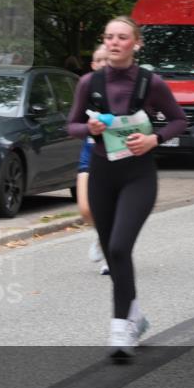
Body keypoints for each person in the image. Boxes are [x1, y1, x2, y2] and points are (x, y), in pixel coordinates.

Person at [67, 16, 187, 360]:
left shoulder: (152, 83)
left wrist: (154, 139)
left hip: (139, 175)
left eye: (122, 37)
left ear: (136, 43)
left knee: (119, 248)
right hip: (103, 174)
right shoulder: (90, 82)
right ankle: (135, 316)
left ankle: (120, 330)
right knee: (112, 250)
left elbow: (179, 120)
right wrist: (88, 128)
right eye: (109, 38)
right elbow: (71, 125)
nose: (115, 42)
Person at [77, 45, 111, 274]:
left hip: (117, 155)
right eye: (98, 60)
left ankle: (111, 255)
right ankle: (101, 237)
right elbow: (73, 122)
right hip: (90, 151)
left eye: (106, 60)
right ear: (93, 64)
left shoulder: (124, 88)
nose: (102, 64)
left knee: (112, 208)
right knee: (86, 209)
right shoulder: (86, 87)